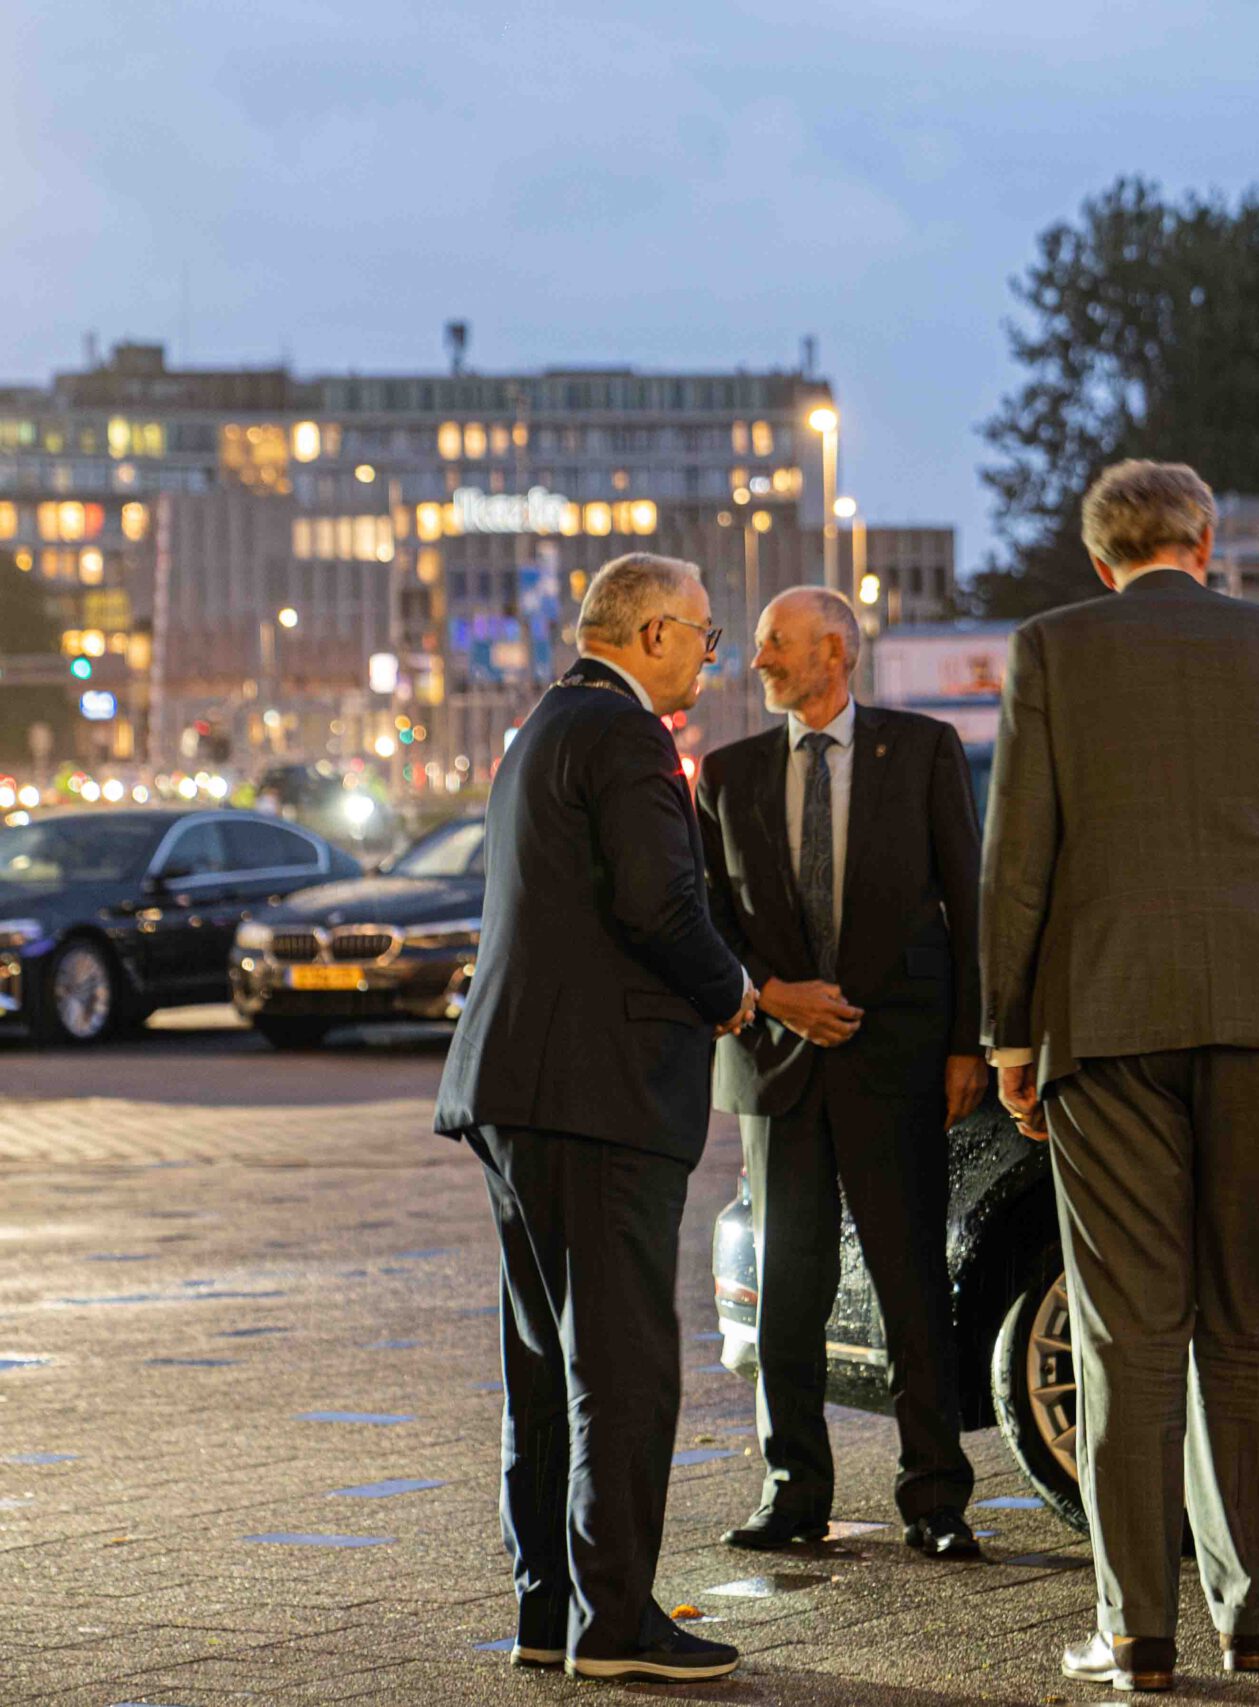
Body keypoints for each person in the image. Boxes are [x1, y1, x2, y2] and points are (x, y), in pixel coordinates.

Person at [980, 460, 1259, 1693]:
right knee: (1251, 1316)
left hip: (1107, 1017)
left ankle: (1136, 1632)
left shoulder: (1051, 647)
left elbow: (1017, 858)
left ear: (1102, 561)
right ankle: (1254, 1616)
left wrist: (1009, 1035)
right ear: (1205, 542)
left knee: (1127, 1331)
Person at [432, 553, 756, 1685]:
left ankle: (549, 1605)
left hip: (516, 1089)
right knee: (621, 1368)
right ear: (653, 632)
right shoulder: (624, 734)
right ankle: (616, 1624)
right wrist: (733, 992)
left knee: (542, 1360)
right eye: (706, 635)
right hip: (599, 1094)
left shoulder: (542, 726)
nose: (711, 657)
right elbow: (658, 902)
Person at [693, 587, 989, 1561]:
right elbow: (707, 919)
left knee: (912, 1284)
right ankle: (792, 1493)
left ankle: (935, 1499)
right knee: (788, 1287)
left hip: (897, 1060)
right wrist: (775, 994)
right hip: (777, 1064)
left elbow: (966, 901)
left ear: (835, 651)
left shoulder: (924, 750)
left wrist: (967, 1045)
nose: (758, 661)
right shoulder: (728, 775)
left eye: (775, 644)